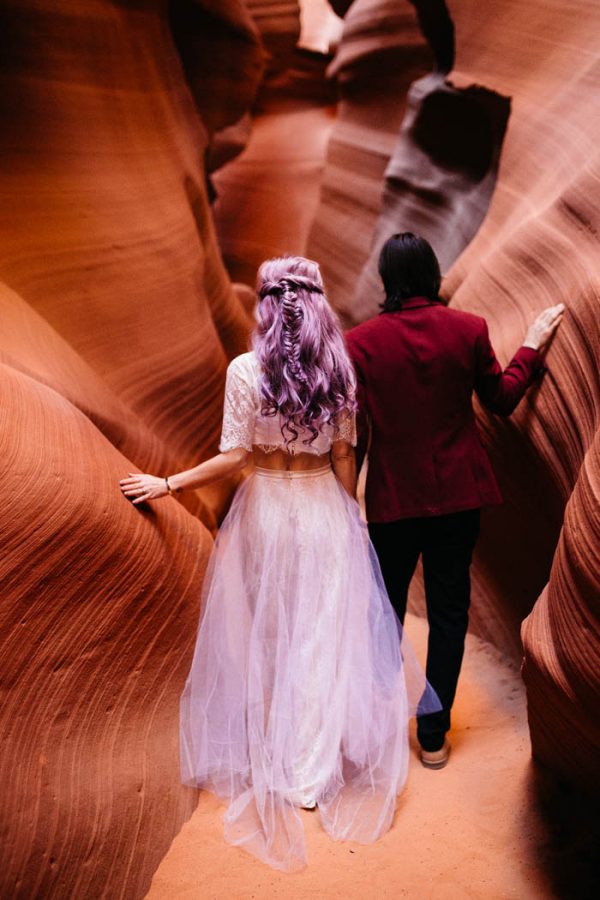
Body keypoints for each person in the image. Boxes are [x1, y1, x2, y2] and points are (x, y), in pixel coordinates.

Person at [119, 256, 439, 872]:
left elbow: (235, 459)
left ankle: (278, 756)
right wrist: (349, 515)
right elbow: (346, 454)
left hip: (264, 508)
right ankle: (310, 775)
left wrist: (169, 482)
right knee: (319, 636)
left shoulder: (246, 370)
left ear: (267, 305)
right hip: (321, 504)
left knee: (271, 632)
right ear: (317, 304)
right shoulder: (338, 369)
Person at [345, 232, 564, 770]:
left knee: (383, 614)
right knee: (448, 614)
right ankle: (434, 734)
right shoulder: (468, 330)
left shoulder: (360, 343)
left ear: (387, 281)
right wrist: (532, 345)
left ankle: (378, 726)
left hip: (392, 500)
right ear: (435, 274)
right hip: (457, 499)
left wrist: (348, 492)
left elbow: (358, 431)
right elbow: (503, 400)